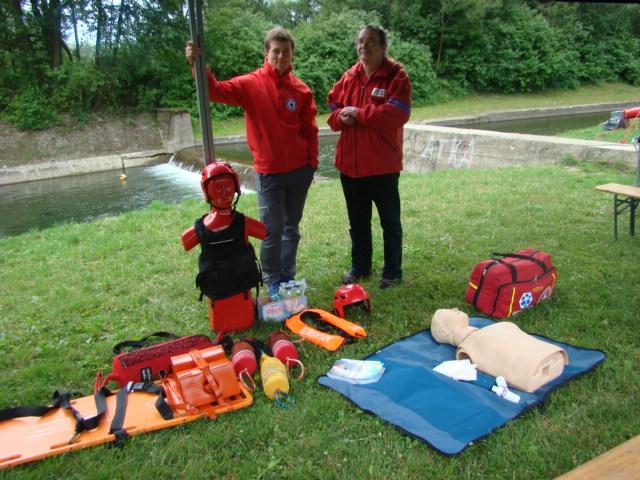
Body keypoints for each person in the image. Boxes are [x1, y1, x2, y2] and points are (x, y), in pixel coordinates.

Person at [185, 27, 318, 300]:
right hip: (269, 174)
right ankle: (271, 279)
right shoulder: (250, 84)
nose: (280, 56)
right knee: (271, 230)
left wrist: (312, 164)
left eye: (286, 51)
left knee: (291, 228)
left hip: (299, 172)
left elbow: (310, 130)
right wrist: (197, 64)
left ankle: (287, 277)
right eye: (275, 51)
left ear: (292, 53)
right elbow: (214, 91)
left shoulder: (301, 90)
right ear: (266, 52)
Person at [327, 25, 411, 289]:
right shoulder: (349, 76)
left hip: (382, 166)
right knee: (358, 223)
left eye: (371, 41)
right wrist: (340, 117)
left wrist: (359, 114)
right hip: (350, 166)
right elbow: (333, 106)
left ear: (384, 46)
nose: (364, 46)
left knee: (390, 222)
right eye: (361, 41)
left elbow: (398, 113)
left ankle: (393, 272)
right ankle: (360, 268)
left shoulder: (396, 76)